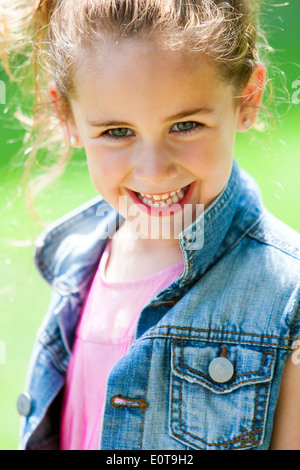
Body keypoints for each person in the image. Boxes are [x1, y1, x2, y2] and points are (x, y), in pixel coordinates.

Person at [2, 0, 300, 451]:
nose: (154, 170)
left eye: (185, 124)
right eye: (117, 132)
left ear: (247, 98)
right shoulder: (75, 262)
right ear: (68, 118)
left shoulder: (287, 298)